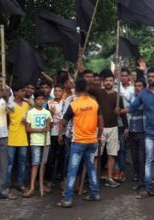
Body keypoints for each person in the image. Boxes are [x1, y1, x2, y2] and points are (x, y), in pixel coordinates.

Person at [119, 67, 154, 199]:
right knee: (149, 160)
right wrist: (121, 111)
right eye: (149, 77)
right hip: (149, 132)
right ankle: (148, 188)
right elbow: (132, 107)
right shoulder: (143, 94)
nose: (150, 79)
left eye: (153, 77)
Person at [56, 79, 104, 208]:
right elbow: (101, 122)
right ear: (86, 89)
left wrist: (60, 133)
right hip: (92, 141)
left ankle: (67, 199)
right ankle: (95, 194)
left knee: (72, 170)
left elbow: (64, 122)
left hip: (78, 142)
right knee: (90, 167)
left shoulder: (74, 104)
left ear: (76, 89)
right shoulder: (94, 103)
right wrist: (98, 137)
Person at [91, 70, 128, 188]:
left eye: (111, 80)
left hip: (113, 128)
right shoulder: (98, 92)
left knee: (112, 154)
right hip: (99, 128)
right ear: (103, 82)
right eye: (106, 80)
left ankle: (109, 177)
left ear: (114, 82)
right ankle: (93, 178)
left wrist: (126, 126)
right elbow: (86, 86)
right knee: (96, 155)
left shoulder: (117, 96)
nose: (108, 82)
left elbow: (122, 113)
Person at [24, 90, 53, 198]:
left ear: (44, 100)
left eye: (42, 99)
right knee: (35, 163)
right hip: (35, 141)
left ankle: (41, 184)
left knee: (43, 163)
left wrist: (48, 126)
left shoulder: (47, 112)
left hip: (46, 142)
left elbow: (50, 124)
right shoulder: (31, 112)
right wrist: (41, 130)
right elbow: (28, 128)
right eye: (38, 99)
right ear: (34, 100)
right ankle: (32, 186)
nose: (40, 101)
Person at [7, 82, 31, 193]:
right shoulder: (10, 105)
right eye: (22, 90)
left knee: (22, 162)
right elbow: (6, 121)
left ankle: (20, 183)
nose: (24, 92)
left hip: (23, 137)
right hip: (12, 136)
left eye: (24, 91)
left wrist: (26, 122)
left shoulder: (27, 105)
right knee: (10, 162)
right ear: (15, 92)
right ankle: (7, 184)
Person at [115, 68, 134, 181]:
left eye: (125, 75)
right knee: (120, 148)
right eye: (121, 75)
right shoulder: (115, 88)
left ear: (129, 77)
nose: (123, 77)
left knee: (134, 149)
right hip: (120, 122)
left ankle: (138, 173)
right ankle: (121, 171)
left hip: (133, 121)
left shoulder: (133, 89)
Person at [45, 84, 65, 189]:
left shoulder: (65, 102)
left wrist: (61, 133)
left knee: (62, 156)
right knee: (51, 157)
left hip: (63, 132)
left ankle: (62, 179)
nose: (57, 93)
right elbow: (47, 118)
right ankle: (49, 180)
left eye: (59, 91)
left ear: (62, 92)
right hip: (52, 132)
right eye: (55, 91)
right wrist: (50, 113)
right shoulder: (49, 103)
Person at [129, 79, 146, 190]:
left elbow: (135, 107)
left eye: (140, 85)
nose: (137, 87)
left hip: (142, 131)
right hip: (132, 131)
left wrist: (124, 109)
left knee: (141, 158)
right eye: (136, 85)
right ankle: (139, 178)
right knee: (134, 158)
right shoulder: (131, 97)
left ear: (144, 87)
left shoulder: (146, 98)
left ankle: (143, 181)